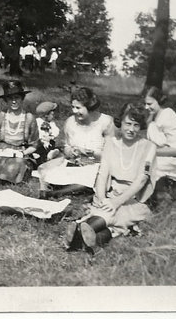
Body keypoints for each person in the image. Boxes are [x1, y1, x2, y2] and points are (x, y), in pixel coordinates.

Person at [65, 102, 157, 253]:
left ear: (141, 126)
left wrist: (116, 202)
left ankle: (76, 238)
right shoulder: (111, 143)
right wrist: (102, 199)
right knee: (107, 211)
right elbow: (103, 174)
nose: (131, 129)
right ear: (120, 122)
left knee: (114, 214)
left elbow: (142, 179)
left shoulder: (148, 146)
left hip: (133, 199)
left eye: (136, 125)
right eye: (128, 123)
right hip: (110, 195)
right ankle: (89, 239)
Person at [38, 87, 115, 198]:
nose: (74, 111)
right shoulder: (70, 122)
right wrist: (71, 151)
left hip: (97, 165)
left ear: (89, 106)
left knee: (96, 177)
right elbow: (66, 147)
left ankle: (57, 193)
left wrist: (91, 153)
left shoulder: (106, 122)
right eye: (73, 107)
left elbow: (111, 155)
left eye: (78, 108)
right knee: (47, 170)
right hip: (75, 164)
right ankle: (67, 188)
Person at [0, 80, 39, 184]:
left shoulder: (29, 118)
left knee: (17, 164)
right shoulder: (0, 116)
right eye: (10, 98)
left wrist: (23, 153)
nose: (14, 101)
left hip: (20, 151)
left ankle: (4, 180)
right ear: (6, 100)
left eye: (17, 98)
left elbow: (34, 145)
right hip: (1, 150)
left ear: (22, 98)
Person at [143, 86, 176, 179]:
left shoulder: (168, 116)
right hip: (161, 156)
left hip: (174, 160)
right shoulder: (153, 116)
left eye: (149, 104)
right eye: (145, 104)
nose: (146, 107)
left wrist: (150, 152)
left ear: (159, 101)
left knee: (143, 166)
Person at [34, 101, 61, 165]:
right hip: (40, 144)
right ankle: (43, 157)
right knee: (39, 148)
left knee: (53, 146)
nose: (53, 116)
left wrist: (51, 136)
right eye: (52, 114)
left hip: (49, 143)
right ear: (46, 115)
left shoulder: (51, 123)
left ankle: (50, 154)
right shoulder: (37, 123)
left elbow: (56, 131)